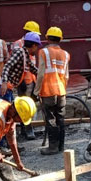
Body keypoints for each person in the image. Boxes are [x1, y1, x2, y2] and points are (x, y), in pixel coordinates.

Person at [33, 26, 70, 155]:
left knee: (51, 119)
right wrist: (63, 89)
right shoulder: (65, 54)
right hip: (61, 91)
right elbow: (66, 75)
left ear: (47, 38)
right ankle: (61, 146)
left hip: (48, 91)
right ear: (60, 39)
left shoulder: (44, 52)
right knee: (61, 118)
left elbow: (41, 73)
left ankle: (53, 147)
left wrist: (36, 91)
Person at [0, 31, 42, 140]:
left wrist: (44, 76)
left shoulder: (25, 55)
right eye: (36, 47)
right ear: (33, 45)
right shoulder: (19, 52)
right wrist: (4, 82)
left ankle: (7, 141)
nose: (36, 50)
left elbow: (33, 69)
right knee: (5, 115)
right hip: (4, 88)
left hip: (9, 87)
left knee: (8, 114)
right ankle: (3, 142)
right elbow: (7, 66)